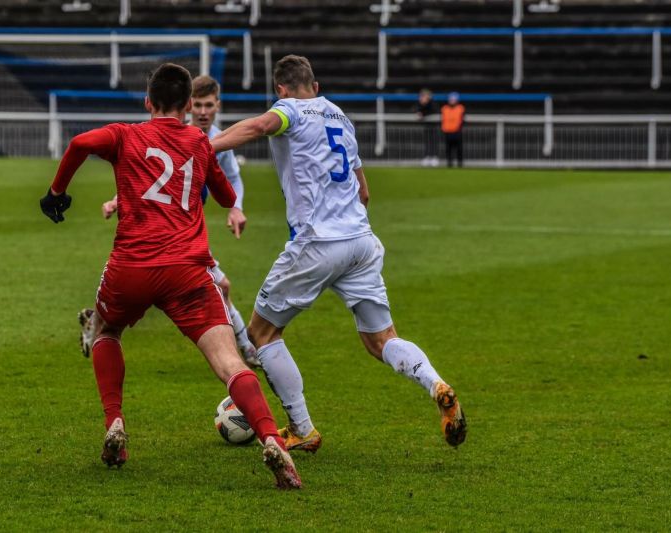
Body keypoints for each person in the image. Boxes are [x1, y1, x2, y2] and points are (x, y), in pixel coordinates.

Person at [39, 63, 301, 489]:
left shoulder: (126, 134)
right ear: (186, 106)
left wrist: (56, 192)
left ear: (148, 102)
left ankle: (115, 423)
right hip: (187, 271)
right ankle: (272, 439)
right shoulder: (199, 141)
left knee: (105, 330)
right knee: (229, 361)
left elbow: (79, 143)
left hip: (131, 268)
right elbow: (227, 196)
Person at [211, 55, 467, 453]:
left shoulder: (288, 111)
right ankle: (435, 382)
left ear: (281, 89)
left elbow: (261, 126)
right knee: (382, 340)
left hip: (317, 242)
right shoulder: (339, 116)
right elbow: (364, 191)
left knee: (262, 334)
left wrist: (203, 146)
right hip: (361, 243)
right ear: (314, 84)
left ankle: (302, 429)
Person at [80, 75, 259, 368]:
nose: (202, 112)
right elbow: (146, 178)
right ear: (189, 105)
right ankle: (245, 349)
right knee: (217, 285)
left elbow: (233, 179)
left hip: (184, 234)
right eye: (198, 105)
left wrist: (235, 208)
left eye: (208, 105)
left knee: (203, 288)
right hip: (167, 235)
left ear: (217, 106)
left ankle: (97, 322)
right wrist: (116, 199)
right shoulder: (177, 134)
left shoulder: (218, 140)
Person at [441, 92, 465, 167]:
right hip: (447, 131)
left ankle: (459, 163)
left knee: (459, 149)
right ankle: (449, 163)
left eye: (453, 99)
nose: (451, 101)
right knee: (448, 149)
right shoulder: (444, 108)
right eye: (450, 99)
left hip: (457, 131)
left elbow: (462, 119)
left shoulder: (460, 108)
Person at [416, 88, 439, 167]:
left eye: (424, 96)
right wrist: (421, 110)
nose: (422, 98)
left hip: (434, 126)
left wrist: (424, 106)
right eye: (421, 96)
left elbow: (434, 111)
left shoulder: (432, 103)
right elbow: (419, 112)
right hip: (427, 126)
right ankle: (427, 157)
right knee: (427, 142)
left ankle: (434, 158)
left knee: (433, 142)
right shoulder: (420, 104)